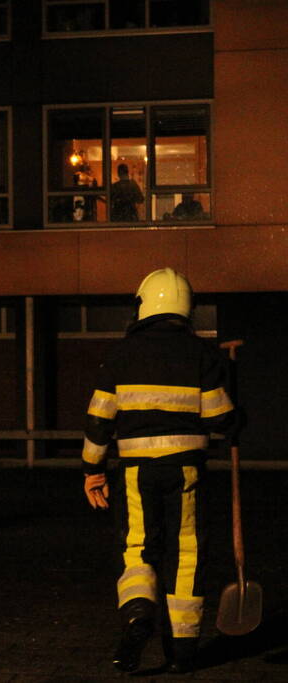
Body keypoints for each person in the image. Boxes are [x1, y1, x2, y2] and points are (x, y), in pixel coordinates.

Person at [81, 268, 237, 674]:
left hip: (135, 471)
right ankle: (182, 652)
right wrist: (232, 391)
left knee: (138, 547)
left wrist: (92, 470)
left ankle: (138, 615)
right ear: (187, 309)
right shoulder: (203, 354)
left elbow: (98, 419)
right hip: (186, 471)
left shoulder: (119, 355)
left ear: (143, 306)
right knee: (187, 552)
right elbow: (221, 418)